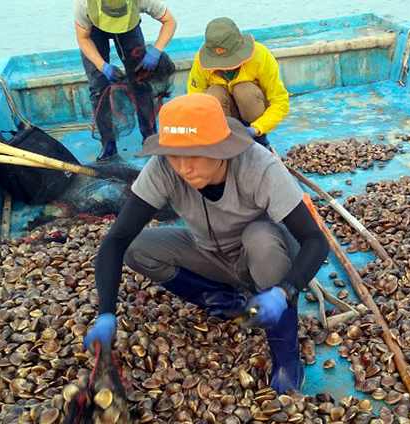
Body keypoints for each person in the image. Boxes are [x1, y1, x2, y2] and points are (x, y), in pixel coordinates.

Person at [83, 93, 329, 394]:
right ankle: (228, 303)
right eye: (175, 155)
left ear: (222, 148)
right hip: (210, 254)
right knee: (137, 247)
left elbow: (315, 240)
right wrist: (106, 312)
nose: (183, 167)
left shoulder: (259, 166)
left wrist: (286, 291)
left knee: (260, 239)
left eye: (194, 154)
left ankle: (286, 358)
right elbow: (117, 239)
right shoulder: (164, 167)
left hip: (265, 260)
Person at [74, 0, 177, 161]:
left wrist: (156, 51)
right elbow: (83, 38)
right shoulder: (85, 4)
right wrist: (103, 67)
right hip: (93, 30)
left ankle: (150, 140)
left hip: (129, 25)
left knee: (141, 80)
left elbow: (170, 21)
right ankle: (108, 145)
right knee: (98, 87)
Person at [187, 17, 289, 148]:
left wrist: (257, 128)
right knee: (213, 94)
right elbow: (195, 103)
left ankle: (260, 142)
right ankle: (225, 142)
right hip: (225, 120)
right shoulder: (200, 62)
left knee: (245, 91)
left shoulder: (261, 55)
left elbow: (280, 101)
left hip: (254, 113)